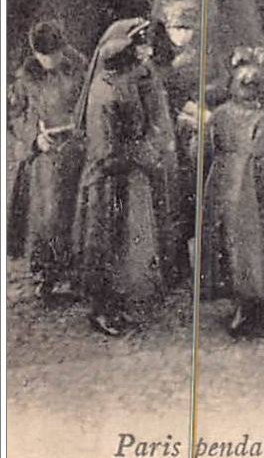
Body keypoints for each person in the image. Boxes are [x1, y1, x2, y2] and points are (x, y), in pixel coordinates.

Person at [72, 18, 168, 336]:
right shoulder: (107, 94)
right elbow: (108, 148)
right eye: (139, 46)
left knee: (119, 246)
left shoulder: (121, 83)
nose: (145, 51)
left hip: (120, 175)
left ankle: (115, 305)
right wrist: (146, 156)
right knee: (102, 245)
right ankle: (101, 310)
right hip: (107, 179)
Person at [198, 63, 264, 337]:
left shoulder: (219, 115)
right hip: (255, 177)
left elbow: (203, 149)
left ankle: (240, 298)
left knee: (227, 237)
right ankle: (252, 301)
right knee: (257, 240)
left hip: (223, 177)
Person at [8, 20, 88, 298]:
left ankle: (76, 272)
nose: (49, 61)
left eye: (53, 55)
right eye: (43, 56)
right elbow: (15, 117)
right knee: (47, 215)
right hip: (45, 159)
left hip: (76, 152)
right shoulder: (26, 78)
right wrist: (34, 138)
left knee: (76, 212)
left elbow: (89, 104)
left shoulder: (79, 67)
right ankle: (46, 273)